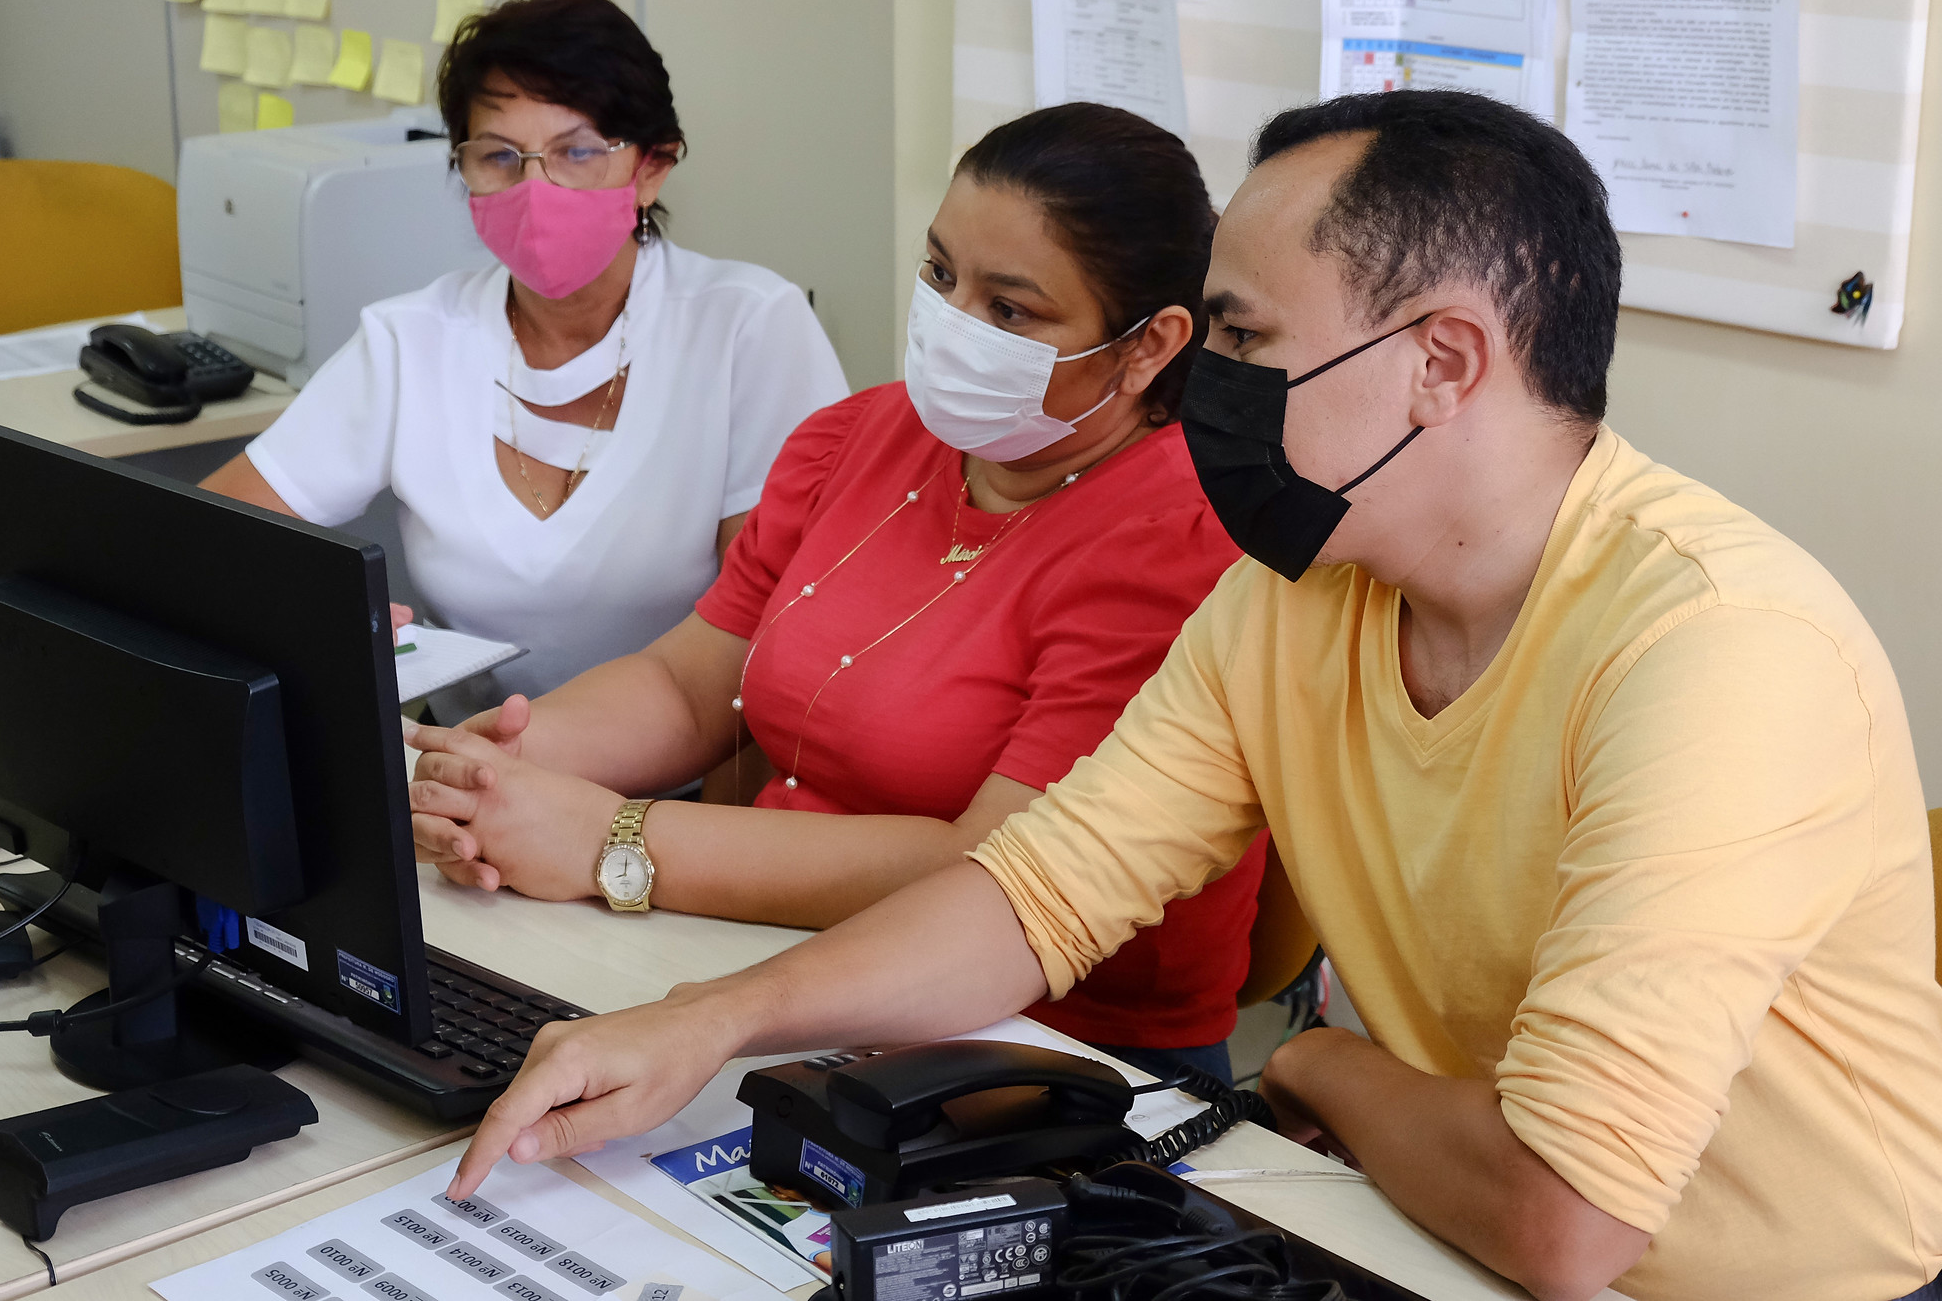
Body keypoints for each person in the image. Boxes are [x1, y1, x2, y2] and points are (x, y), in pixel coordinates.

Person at [436, 90, 1942, 1301]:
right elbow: (1037, 891)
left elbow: (1564, 1216)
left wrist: (1315, 1061)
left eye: (1242, 339)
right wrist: (711, 1025)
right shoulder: (1299, 587)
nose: (1204, 380)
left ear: (1441, 363)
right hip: (1429, 1234)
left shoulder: (1717, 652)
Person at [402, 103, 1265, 1080]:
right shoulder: (860, 436)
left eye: (1010, 309)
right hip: (767, 969)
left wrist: (615, 842)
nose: (951, 321)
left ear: (1149, 344)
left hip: (1054, 1051)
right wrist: (484, 773)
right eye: (939, 273)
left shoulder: (1179, 545)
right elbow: (691, 685)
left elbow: (999, 874)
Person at [202, 0, 849, 707]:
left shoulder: (749, 329)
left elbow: (771, 638)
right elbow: (209, 538)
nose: (535, 188)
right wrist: (319, 621)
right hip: (463, 776)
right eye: (500, 156)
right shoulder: (411, 339)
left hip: (671, 792)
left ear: (653, 168)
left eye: (576, 152)